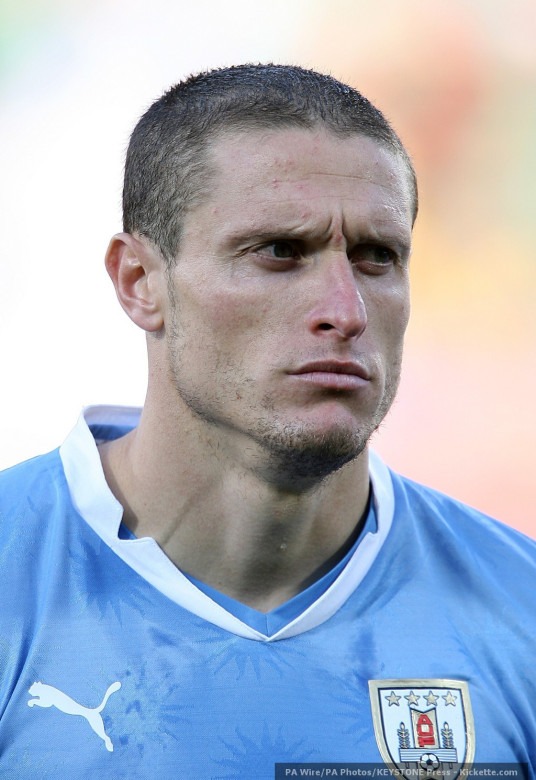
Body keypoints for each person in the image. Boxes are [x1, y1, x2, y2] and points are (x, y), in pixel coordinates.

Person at [0, 64, 534, 779]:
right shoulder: (17, 574)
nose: (346, 312)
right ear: (139, 282)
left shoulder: (519, 609)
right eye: (281, 252)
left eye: (377, 257)